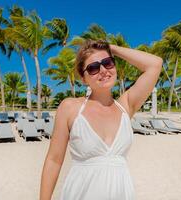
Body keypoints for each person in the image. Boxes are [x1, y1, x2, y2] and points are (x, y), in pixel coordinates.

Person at [40, 40, 163, 200]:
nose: (103, 70)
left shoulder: (125, 107)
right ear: (83, 78)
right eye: (93, 68)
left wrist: (111, 49)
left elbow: (155, 64)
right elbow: (54, 160)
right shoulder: (71, 108)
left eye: (108, 63)